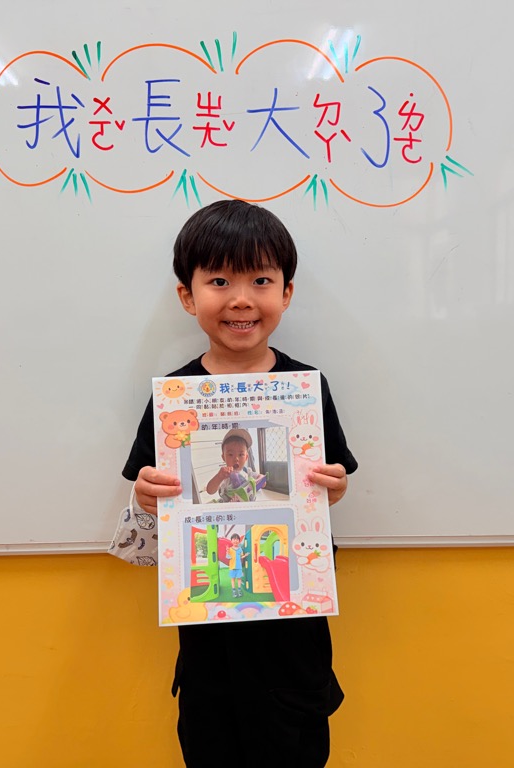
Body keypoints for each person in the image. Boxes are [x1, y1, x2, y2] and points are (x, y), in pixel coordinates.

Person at [121, 199, 357, 768]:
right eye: (220, 281)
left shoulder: (306, 388)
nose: (242, 298)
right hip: (210, 638)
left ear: (286, 293)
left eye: (261, 280)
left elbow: (331, 484)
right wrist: (145, 495)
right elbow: (149, 496)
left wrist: (332, 487)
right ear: (188, 296)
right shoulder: (174, 397)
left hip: (292, 636)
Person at [206, 429, 266, 502]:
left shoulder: (247, 471)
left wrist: (260, 480)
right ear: (223, 457)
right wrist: (219, 477)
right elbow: (210, 491)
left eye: (241, 455)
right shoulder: (224, 475)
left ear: (246, 457)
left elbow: (262, 480)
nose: (236, 459)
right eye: (231, 454)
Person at [227, 532, 245, 597]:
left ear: (239, 541)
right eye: (234, 539)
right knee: (233, 579)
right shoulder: (230, 549)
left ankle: (239, 589)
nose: (236, 541)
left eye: (237, 539)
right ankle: (234, 590)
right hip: (232, 567)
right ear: (231, 541)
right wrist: (227, 552)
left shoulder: (240, 549)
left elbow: (241, 556)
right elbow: (228, 557)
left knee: (239, 578)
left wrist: (245, 555)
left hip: (239, 567)